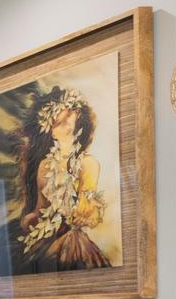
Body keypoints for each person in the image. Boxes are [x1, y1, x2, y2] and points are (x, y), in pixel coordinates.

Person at [12, 87, 111, 273]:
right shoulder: (44, 166)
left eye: (68, 119)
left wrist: (83, 212)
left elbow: (88, 208)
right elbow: (40, 209)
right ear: (50, 130)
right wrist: (29, 221)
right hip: (47, 240)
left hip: (72, 241)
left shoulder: (88, 163)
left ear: (79, 123)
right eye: (58, 122)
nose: (64, 124)